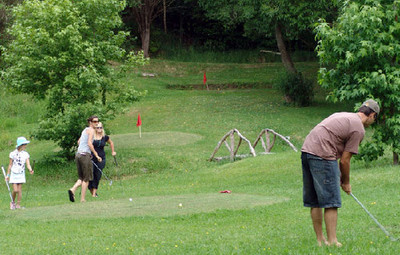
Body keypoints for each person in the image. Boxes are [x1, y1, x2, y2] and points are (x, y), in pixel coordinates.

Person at [301, 99, 379, 247]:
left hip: (307, 151)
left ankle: (320, 241)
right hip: (323, 154)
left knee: (315, 200)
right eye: (375, 119)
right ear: (372, 115)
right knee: (331, 201)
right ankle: (332, 241)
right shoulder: (358, 129)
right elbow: (344, 160)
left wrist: (341, 178)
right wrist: (346, 182)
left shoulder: (343, 115)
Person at [68, 116, 102, 203]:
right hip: (85, 155)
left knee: (81, 177)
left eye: (97, 122)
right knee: (86, 179)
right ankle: (82, 199)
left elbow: (79, 142)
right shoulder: (91, 130)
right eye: (94, 121)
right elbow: (90, 144)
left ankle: (73, 189)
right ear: (90, 122)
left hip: (78, 154)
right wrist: (96, 155)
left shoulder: (85, 130)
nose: (96, 123)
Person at [88, 122, 116, 197]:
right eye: (97, 127)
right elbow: (88, 144)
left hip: (101, 158)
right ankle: (91, 190)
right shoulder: (92, 136)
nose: (99, 129)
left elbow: (111, 143)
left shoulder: (105, 137)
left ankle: (94, 193)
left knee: (98, 174)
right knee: (91, 175)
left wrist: (113, 151)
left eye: (100, 127)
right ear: (95, 129)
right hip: (92, 158)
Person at [5, 137, 34, 210]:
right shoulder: (13, 154)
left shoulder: (26, 154)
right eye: (24, 144)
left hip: (21, 173)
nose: (25, 146)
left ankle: (18, 204)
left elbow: (28, 164)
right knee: (15, 190)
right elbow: (10, 165)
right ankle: (12, 202)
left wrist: (30, 170)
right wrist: (7, 175)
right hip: (14, 173)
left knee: (19, 189)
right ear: (20, 145)